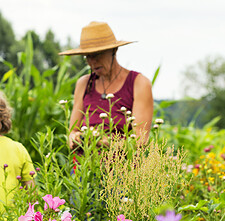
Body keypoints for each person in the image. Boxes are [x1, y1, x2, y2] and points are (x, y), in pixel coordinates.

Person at [59, 21, 154, 149]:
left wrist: (102, 141)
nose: (92, 62)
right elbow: (72, 131)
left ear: (114, 50)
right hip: (83, 166)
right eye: (88, 56)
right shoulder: (84, 83)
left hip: (120, 165)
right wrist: (75, 137)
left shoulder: (138, 83)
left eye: (97, 55)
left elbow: (140, 141)